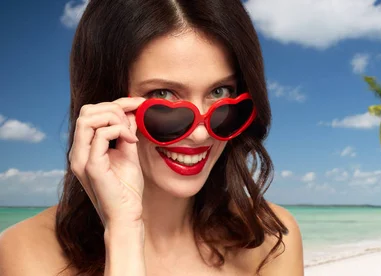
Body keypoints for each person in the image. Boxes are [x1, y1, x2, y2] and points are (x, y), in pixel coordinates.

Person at [0, 0, 304, 275]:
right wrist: (123, 235)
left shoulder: (271, 241)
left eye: (220, 92)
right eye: (163, 95)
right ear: (106, 102)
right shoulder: (25, 255)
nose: (200, 133)